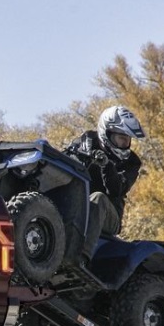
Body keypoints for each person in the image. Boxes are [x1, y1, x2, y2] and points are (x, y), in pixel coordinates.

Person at [63, 105, 145, 265]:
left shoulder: (132, 163)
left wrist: (106, 166)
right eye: (121, 138)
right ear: (107, 133)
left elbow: (116, 189)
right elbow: (64, 159)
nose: (125, 143)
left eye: (127, 139)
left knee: (98, 199)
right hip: (78, 203)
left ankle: (80, 260)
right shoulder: (87, 140)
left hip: (110, 214)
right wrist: (79, 156)